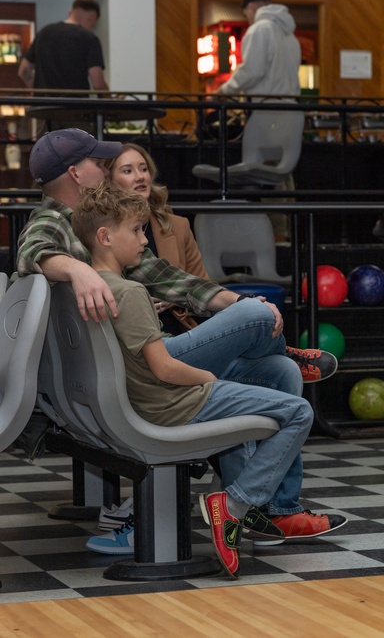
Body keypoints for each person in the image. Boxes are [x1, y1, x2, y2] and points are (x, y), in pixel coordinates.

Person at [17, 128, 340, 555]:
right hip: (144, 377)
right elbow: (29, 251)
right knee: (255, 316)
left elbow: (171, 280)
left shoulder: (103, 224)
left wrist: (232, 301)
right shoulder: (56, 221)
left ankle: (263, 507)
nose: (110, 168)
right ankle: (274, 347)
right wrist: (78, 271)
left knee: (278, 371)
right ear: (76, 173)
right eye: (102, 162)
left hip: (127, 372)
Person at [71, 182, 346, 577]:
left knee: (278, 375)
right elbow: (164, 369)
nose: (144, 239)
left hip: (145, 398)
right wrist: (211, 379)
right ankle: (233, 507)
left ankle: (242, 507)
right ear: (104, 237)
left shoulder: (88, 290)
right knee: (299, 411)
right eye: (136, 230)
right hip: (173, 401)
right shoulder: (129, 293)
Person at [105, 143, 209, 335]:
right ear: (109, 181)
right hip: (128, 340)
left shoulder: (178, 226)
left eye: (144, 169)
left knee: (272, 359)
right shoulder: (101, 231)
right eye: (128, 171)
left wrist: (175, 297)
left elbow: (205, 289)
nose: (140, 176)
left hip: (179, 332)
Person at [216, 0, 301, 99]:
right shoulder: (290, 35)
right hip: (292, 108)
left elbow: (252, 71)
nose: (248, 21)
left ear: (251, 8)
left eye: (246, 14)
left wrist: (225, 90)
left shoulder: (259, 29)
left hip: (266, 108)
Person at [18, 0, 108, 93]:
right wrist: (110, 102)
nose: (91, 27)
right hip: (73, 106)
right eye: (93, 24)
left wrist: (38, 91)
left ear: (71, 12)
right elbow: (98, 84)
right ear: (91, 17)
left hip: (43, 106)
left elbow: (24, 70)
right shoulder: (89, 38)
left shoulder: (44, 32)